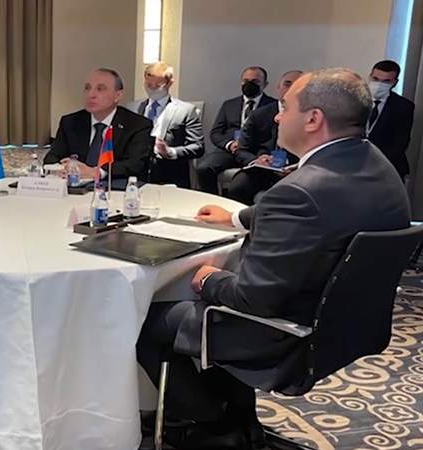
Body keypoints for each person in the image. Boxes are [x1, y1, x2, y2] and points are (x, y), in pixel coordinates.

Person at [137, 68, 410, 449]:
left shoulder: (300, 191)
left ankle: (215, 425)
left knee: (143, 320)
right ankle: (239, 419)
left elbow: (254, 298)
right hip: (344, 326)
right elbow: (322, 210)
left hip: (282, 331)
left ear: (313, 119)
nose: (278, 117)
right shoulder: (374, 164)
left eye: (286, 108)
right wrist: (237, 217)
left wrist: (208, 278)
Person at [43, 68, 153, 180]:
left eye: (100, 89)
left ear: (118, 96)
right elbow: (52, 157)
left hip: (114, 187)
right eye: (87, 88)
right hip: (74, 185)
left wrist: (97, 172)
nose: (91, 94)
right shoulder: (70, 122)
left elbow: (134, 164)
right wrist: (63, 168)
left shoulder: (137, 125)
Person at [195, 66, 277, 194]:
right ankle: (213, 201)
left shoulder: (273, 106)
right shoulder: (229, 105)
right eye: (246, 81)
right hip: (230, 151)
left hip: (255, 151)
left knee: (244, 183)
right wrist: (230, 144)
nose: (249, 84)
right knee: (204, 168)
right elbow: (216, 133)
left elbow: (274, 134)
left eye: (255, 81)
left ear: (265, 84)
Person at [226, 70, 303, 205]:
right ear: (278, 87)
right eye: (287, 84)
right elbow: (241, 149)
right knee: (238, 186)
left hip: (295, 170)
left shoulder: (311, 117)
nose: (292, 88)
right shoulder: (259, 115)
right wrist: (256, 161)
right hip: (262, 168)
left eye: (298, 85)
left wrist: (297, 166)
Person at [126, 62, 204, 188]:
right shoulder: (132, 108)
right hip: (136, 172)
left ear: (169, 83)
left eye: (158, 85)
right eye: (149, 85)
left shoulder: (186, 110)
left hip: (169, 173)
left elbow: (198, 147)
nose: (152, 89)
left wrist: (170, 152)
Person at [365, 59, 415, 180]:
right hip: (355, 161)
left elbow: (401, 142)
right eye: (375, 79)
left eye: (386, 81)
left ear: (395, 82)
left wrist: (377, 164)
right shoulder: (356, 100)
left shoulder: (403, 106)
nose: (379, 84)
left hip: (387, 166)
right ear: (370, 76)